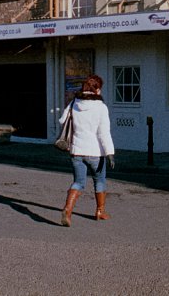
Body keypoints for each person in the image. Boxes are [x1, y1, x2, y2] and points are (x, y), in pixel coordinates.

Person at [59, 74, 115, 227]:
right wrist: (110, 153)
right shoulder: (101, 107)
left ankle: (68, 209)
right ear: (97, 89)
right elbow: (104, 133)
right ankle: (100, 211)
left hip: (76, 151)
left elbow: (62, 120)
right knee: (100, 181)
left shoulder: (73, 103)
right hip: (95, 152)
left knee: (78, 182)